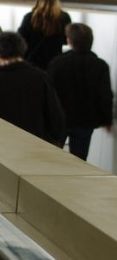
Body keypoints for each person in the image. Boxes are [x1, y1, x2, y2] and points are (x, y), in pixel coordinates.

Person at [0, 30, 66, 145]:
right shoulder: (40, 77)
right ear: (22, 50)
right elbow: (56, 116)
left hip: (2, 147)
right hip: (36, 145)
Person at [47, 22, 114, 160]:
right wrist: (107, 120)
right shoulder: (100, 66)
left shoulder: (58, 62)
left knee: (52, 157)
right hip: (86, 120)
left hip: (61, 119)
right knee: (79, 159)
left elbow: (50, 91)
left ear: (69, 41)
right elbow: (105, 95)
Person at [17, 0, 71, 71]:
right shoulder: (64, 18)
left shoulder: (30, 18)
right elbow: (66, 41)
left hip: (32, 65)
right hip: (54, 65)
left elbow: (20, 40)